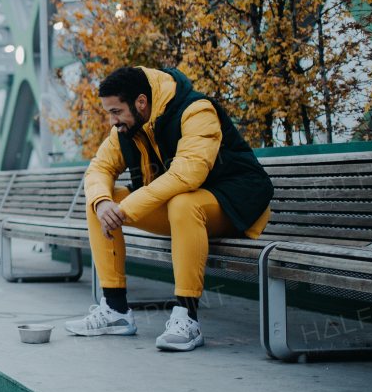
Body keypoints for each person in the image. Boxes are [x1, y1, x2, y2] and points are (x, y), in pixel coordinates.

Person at [63, 66, 274, 351]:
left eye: (116, 112)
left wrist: (126, 209)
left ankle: (187, 318)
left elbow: (187, 175)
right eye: (109, 113)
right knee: (100, 200)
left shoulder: (196, 111)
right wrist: (103, 203)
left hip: (232, 205)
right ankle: (115, 311)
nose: (112, 121)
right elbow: (99, 168)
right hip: (179, 210)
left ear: (141, 102)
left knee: (183, 201)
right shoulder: (128, 127)